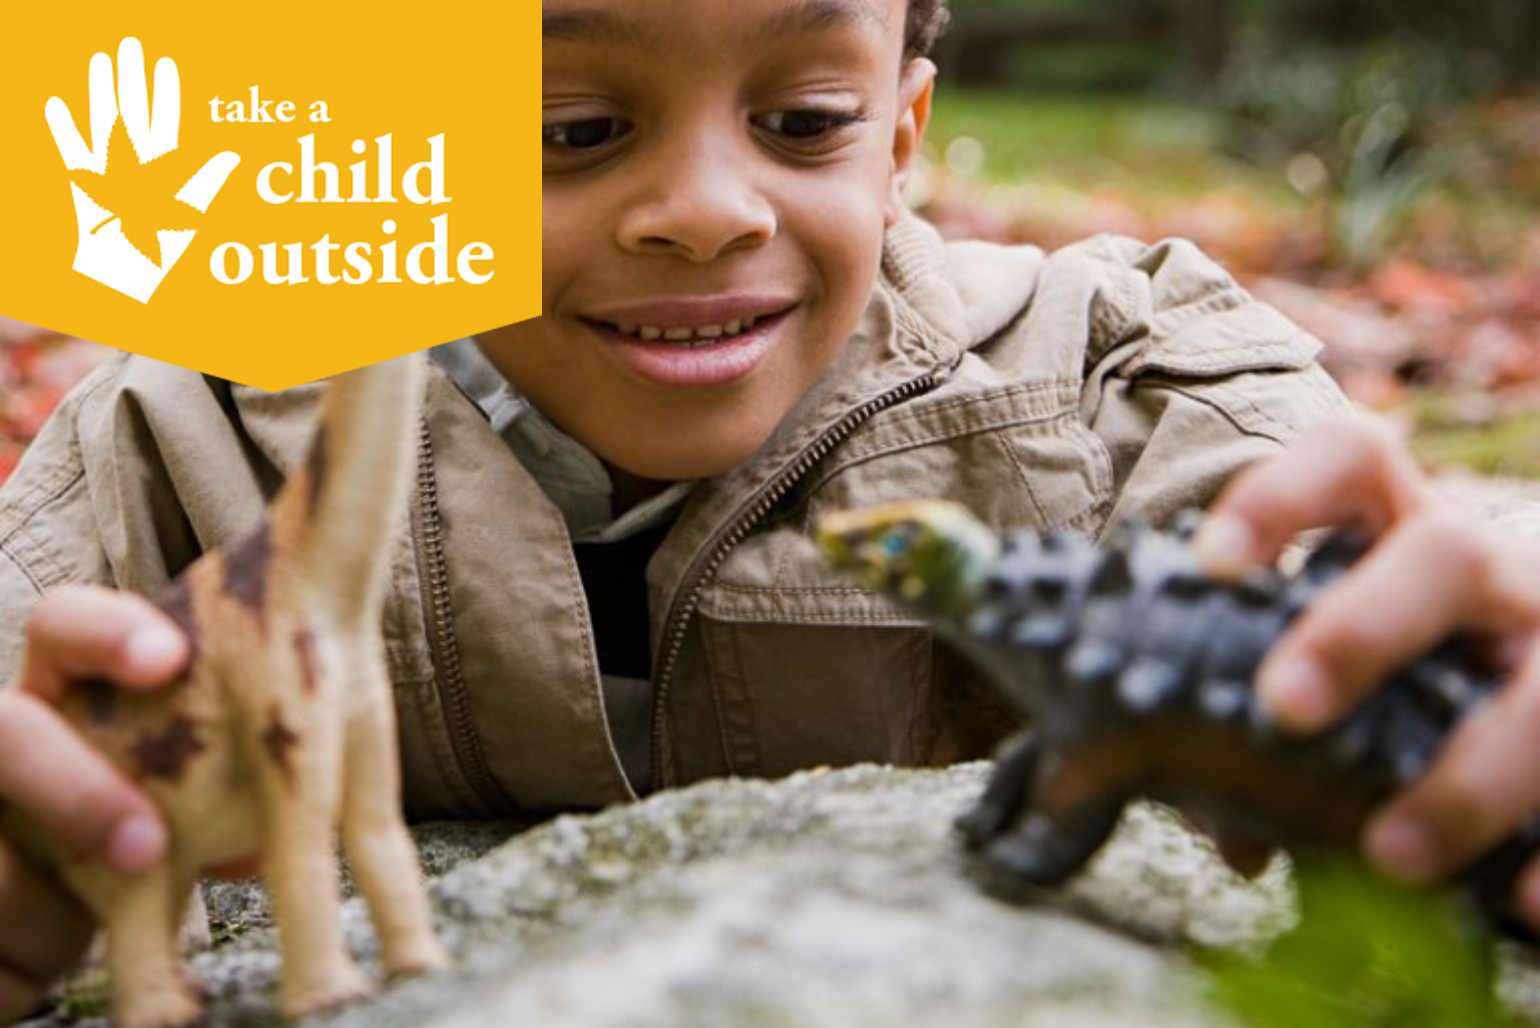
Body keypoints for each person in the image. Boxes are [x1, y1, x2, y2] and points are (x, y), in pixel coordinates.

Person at [1, 0, 1537, 1017]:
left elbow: (1374, 566)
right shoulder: (181, 431)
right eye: (570, 128)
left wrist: (1478, 661)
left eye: (804, 119)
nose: (708, 207)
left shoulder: (1116, 377)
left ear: (902, 142)